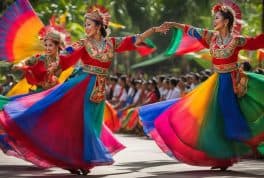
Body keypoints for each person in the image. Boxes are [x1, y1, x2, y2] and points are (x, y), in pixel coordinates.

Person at [0, 5, 165, 175]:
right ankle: (72, 159)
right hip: (81, 86)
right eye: (85, 25)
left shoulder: (111, 43)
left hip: (99, 89)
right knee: (81, 124)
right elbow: (65, 56)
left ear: (99, 26)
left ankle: (80, 161)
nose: (86, 28)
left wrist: (153, 30)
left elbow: (133, 40)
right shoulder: (83, 43)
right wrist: (50, 58)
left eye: (88, 24)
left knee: (92, 125)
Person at [138, 1, 264, 170]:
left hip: (234, 83)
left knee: (233, 117)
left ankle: (243, 148)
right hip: (217, 82)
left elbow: (256, 43)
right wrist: (174, 24)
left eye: (217, 18)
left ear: (226, 21)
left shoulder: (237, 40)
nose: (214, 21)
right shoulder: (211, 37)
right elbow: (191, 30)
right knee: (214, 120)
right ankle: (221, 159)